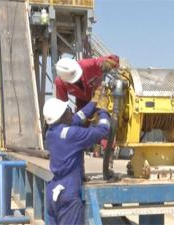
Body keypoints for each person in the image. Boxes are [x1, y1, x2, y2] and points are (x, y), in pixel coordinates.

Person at [43, 95, 110, 225]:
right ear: (62, 116)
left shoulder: (51, 133)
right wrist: (103, 111)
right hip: (68, 192)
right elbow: (103, 130)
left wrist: (94, 102)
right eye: (68, 109)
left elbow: (77, 118)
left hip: (53, 191)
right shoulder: (72, 134)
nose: (71, 112)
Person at [55, 55, 119, 110]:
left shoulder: (88, 65)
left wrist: (110, 63)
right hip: (82, 102)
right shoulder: (60, 83)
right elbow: (62, 104)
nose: (77, 80)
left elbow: (112, 58)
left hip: (100, 95)